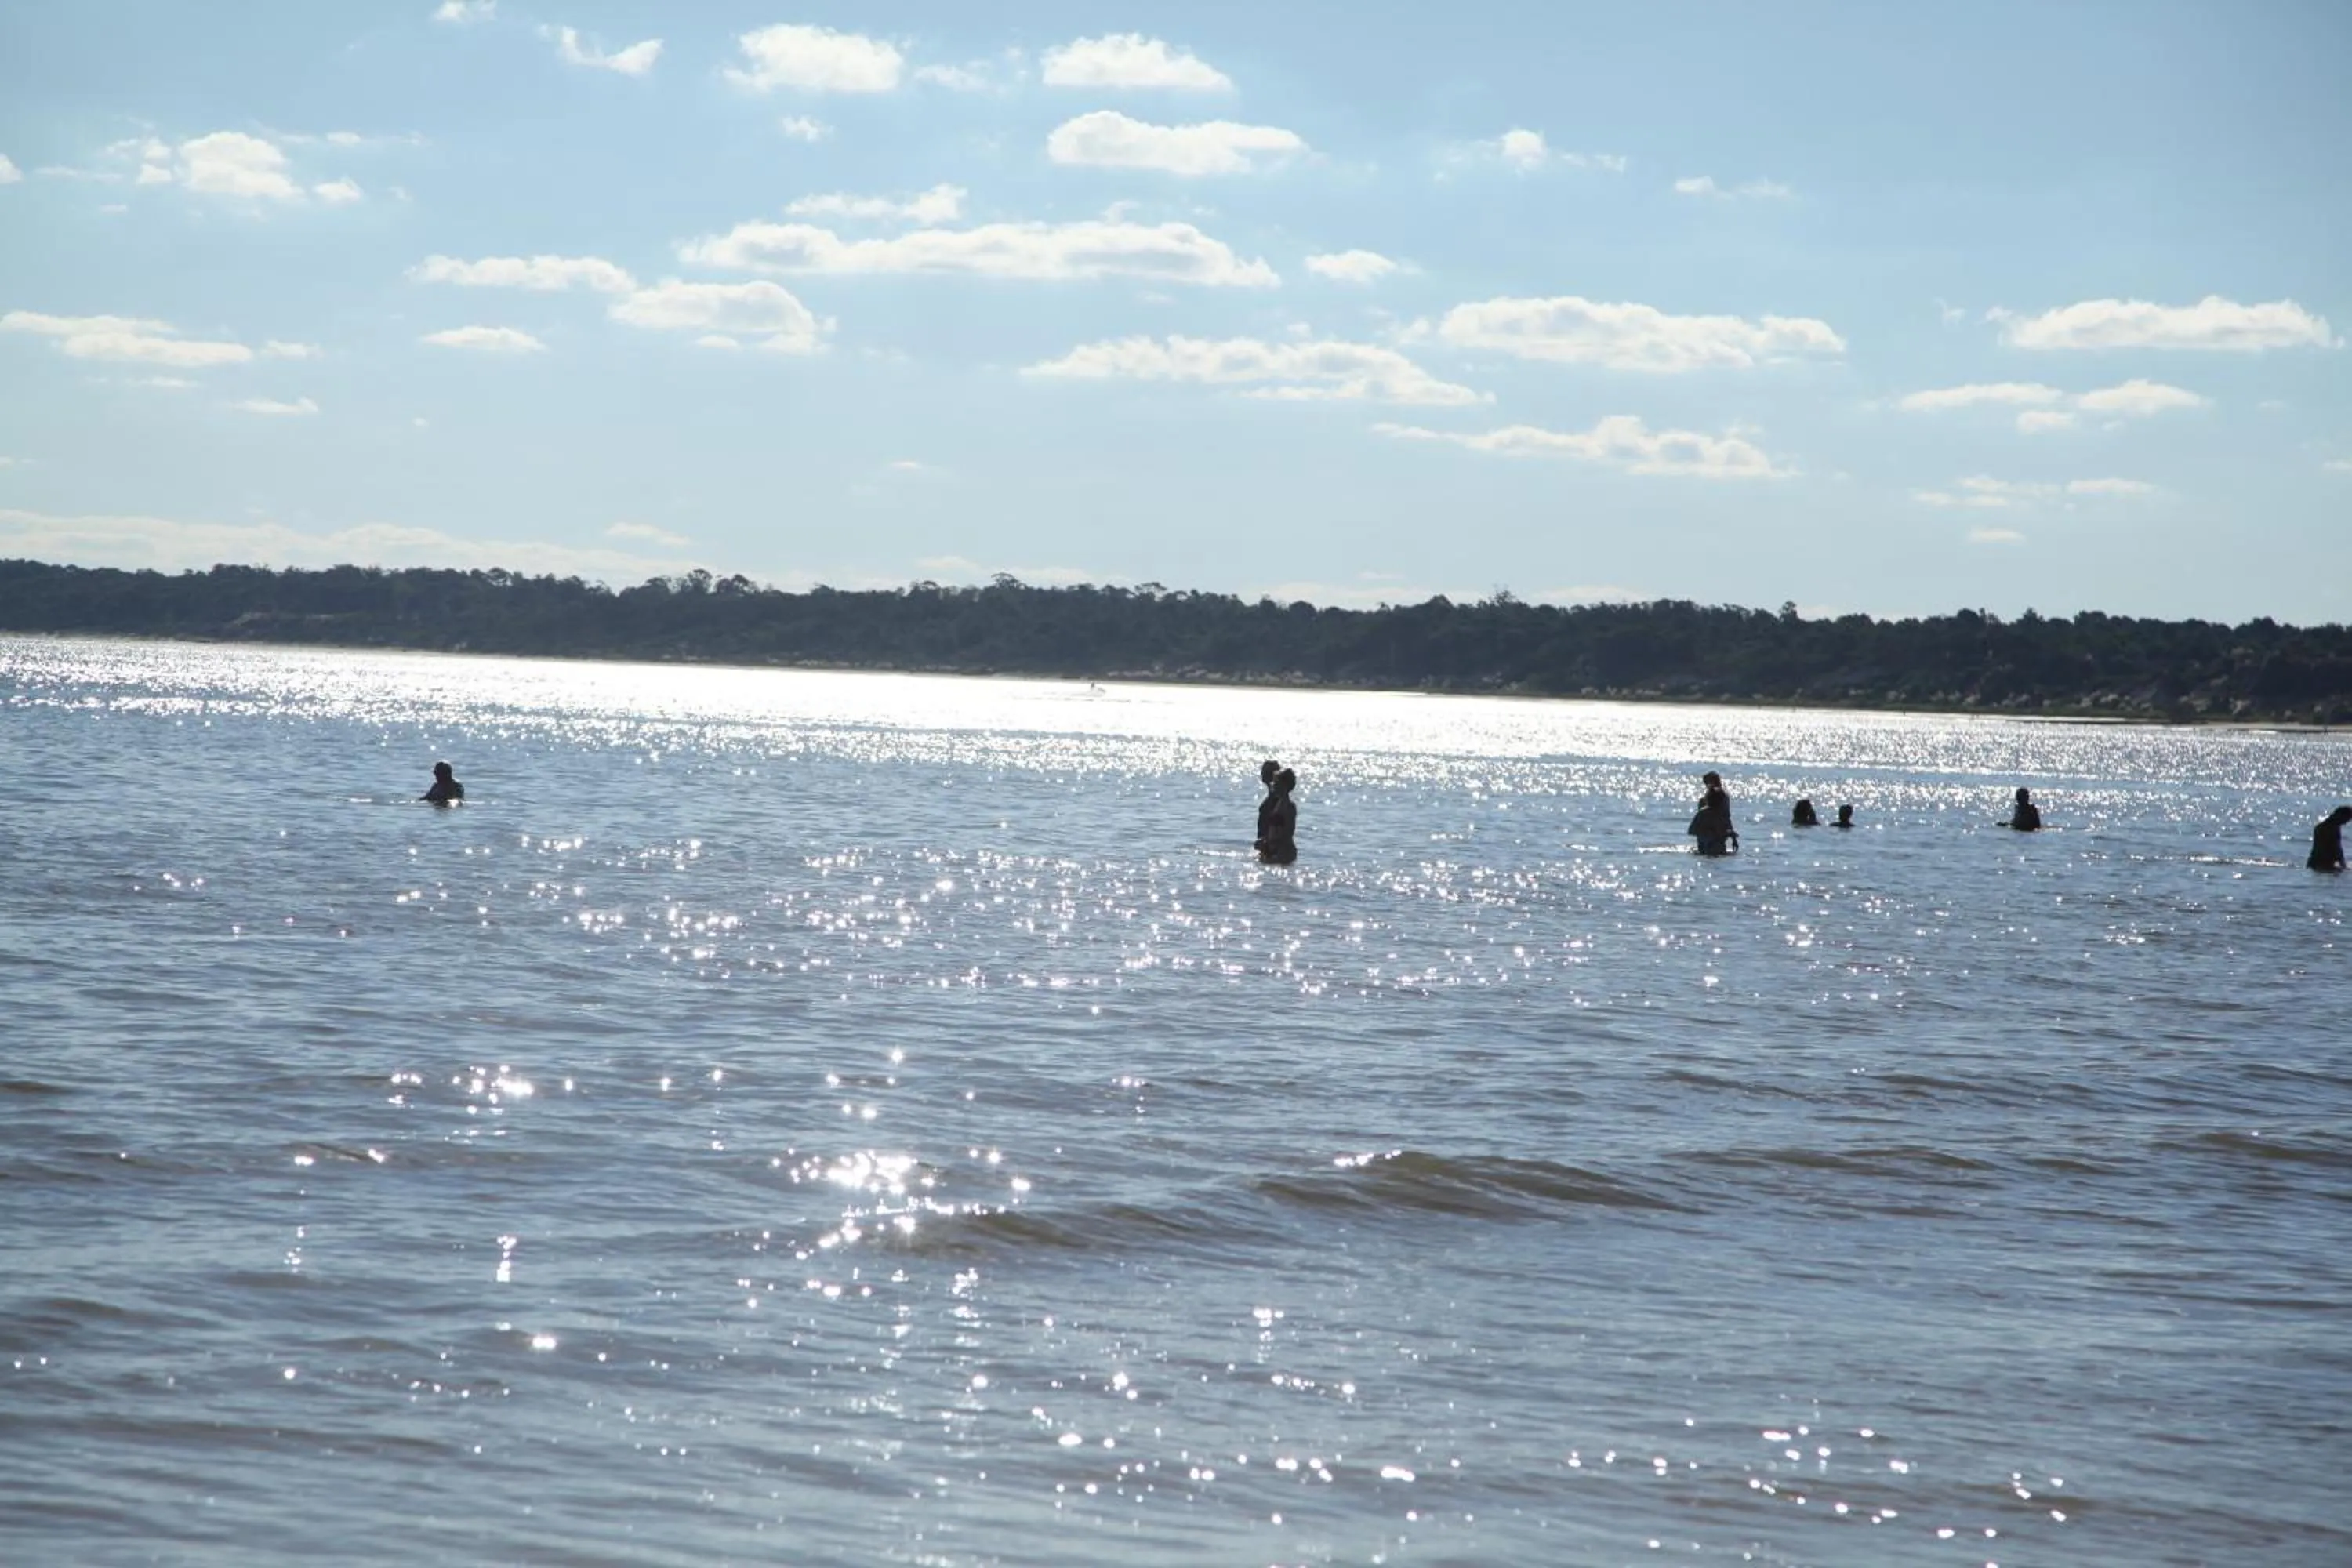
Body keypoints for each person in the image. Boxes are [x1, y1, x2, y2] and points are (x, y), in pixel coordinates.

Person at [1688, 771, 1737, 856]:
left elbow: (1693, 830)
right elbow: (1727, 819)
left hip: (1711, 840)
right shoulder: (1708, 802)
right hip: (1714, 840)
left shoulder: (1721, 798)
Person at [1258, 768, 1298, 866]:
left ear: (1284, 786)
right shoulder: (1277, 804)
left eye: (1276, 783)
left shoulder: (1289, 806)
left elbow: (1288, 831)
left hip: (1284, 851)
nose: (1273, 785)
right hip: (1274, 849)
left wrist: (1271, 844)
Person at [1254, 759, 1283, 852]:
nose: (1262, 774)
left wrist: (1268, 842)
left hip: (1270, 846)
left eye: (1264, 772)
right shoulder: (1272, 794)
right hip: (1266, 844)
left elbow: (1277, 822)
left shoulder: (1275, 797)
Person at [2311, 806, 2352, 871]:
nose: (2345, 823)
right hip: (2323, 864)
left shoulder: (2322, 826)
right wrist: (2343, 865)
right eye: (2346, 820)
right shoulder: (2331, 828)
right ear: (2340, 816)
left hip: (2316, 863)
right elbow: (2336, 848)